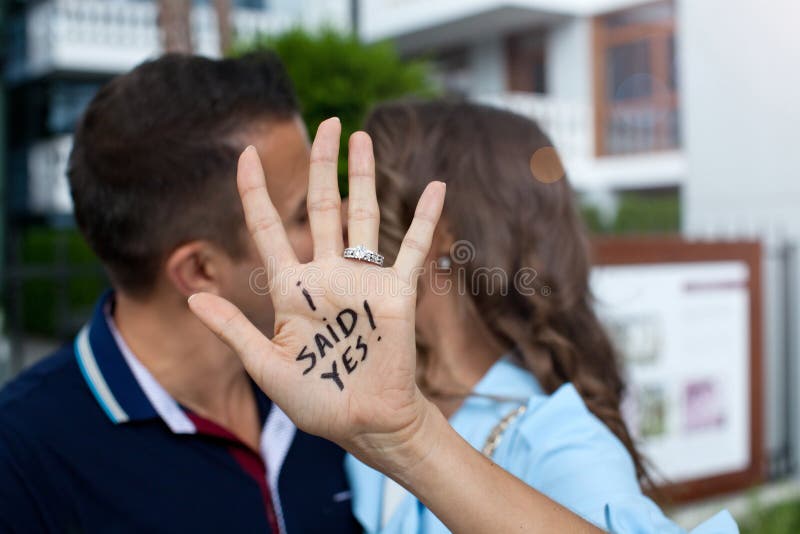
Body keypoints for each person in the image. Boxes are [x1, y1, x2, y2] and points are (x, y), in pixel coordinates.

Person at [188, 106, 738, 532]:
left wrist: (413, 442)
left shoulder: (557, 440)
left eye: (373, 199)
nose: (342, 238)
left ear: (441, 232)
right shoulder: (356, 395)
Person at [0, 54, 360, 533]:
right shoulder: (21, 463)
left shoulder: (338, 377)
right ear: (199, 269)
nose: (340, 218)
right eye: (302, 214)